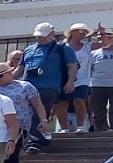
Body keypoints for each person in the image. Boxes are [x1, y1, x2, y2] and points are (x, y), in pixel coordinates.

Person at [13, 22, 78, 153]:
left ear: (52, 34)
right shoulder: (29, 49)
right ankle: (38, 137)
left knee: (40, 111)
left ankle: (35, 141)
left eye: (44, 36)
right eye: (38, 36)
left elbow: (72, 65)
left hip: (49, 86)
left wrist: (70, 82)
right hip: (28, 86)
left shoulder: (62, 48)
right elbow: (20, 68)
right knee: (25, 112)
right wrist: (10, 81)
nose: (40, 39)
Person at [0, 63, 48, 163]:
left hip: (19, 123)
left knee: (12, 149)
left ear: (9, 73)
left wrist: (43, 120)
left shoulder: (25, 86)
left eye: (0, 76)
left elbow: (37, 104)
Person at [54, 23, 103, 133]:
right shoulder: (61, 47)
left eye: (85, 32)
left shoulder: (87, 46)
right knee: (62, 102)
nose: (84, 34)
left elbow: (104, 44)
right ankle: (64, 128)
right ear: (73, 32)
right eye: (81, 31)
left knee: (79, 100)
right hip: (63, 79)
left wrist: (102, 34)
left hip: (82, 79)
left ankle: (80, 126)